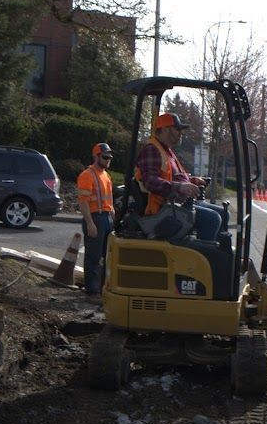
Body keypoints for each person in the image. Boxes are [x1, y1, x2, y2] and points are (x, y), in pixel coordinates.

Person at [134, 112, 223, 241]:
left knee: (223, 213)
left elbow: (174, 176)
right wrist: (179, 187)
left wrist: (193, 180)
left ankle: (221, 252)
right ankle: (207, 257)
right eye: (177, 129)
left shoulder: (167, 151)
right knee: (212, 219)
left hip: (175, 204)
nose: (181, 133)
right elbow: (150, 181)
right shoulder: (151, 150)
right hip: (162, 209)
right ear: (164, 129)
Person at [77, 141, 115, 301]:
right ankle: (92, 292)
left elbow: (109, 199)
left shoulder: (106, 175)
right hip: (95, 218)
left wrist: (112, 212)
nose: (108, 160)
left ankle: (100, 289)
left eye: (109, 157)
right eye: (105, 157)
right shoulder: (87, 175)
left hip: (106, 218)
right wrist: (90, 222)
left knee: (105, 256)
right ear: (96, 156)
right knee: (93, 256)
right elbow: (83, 201)